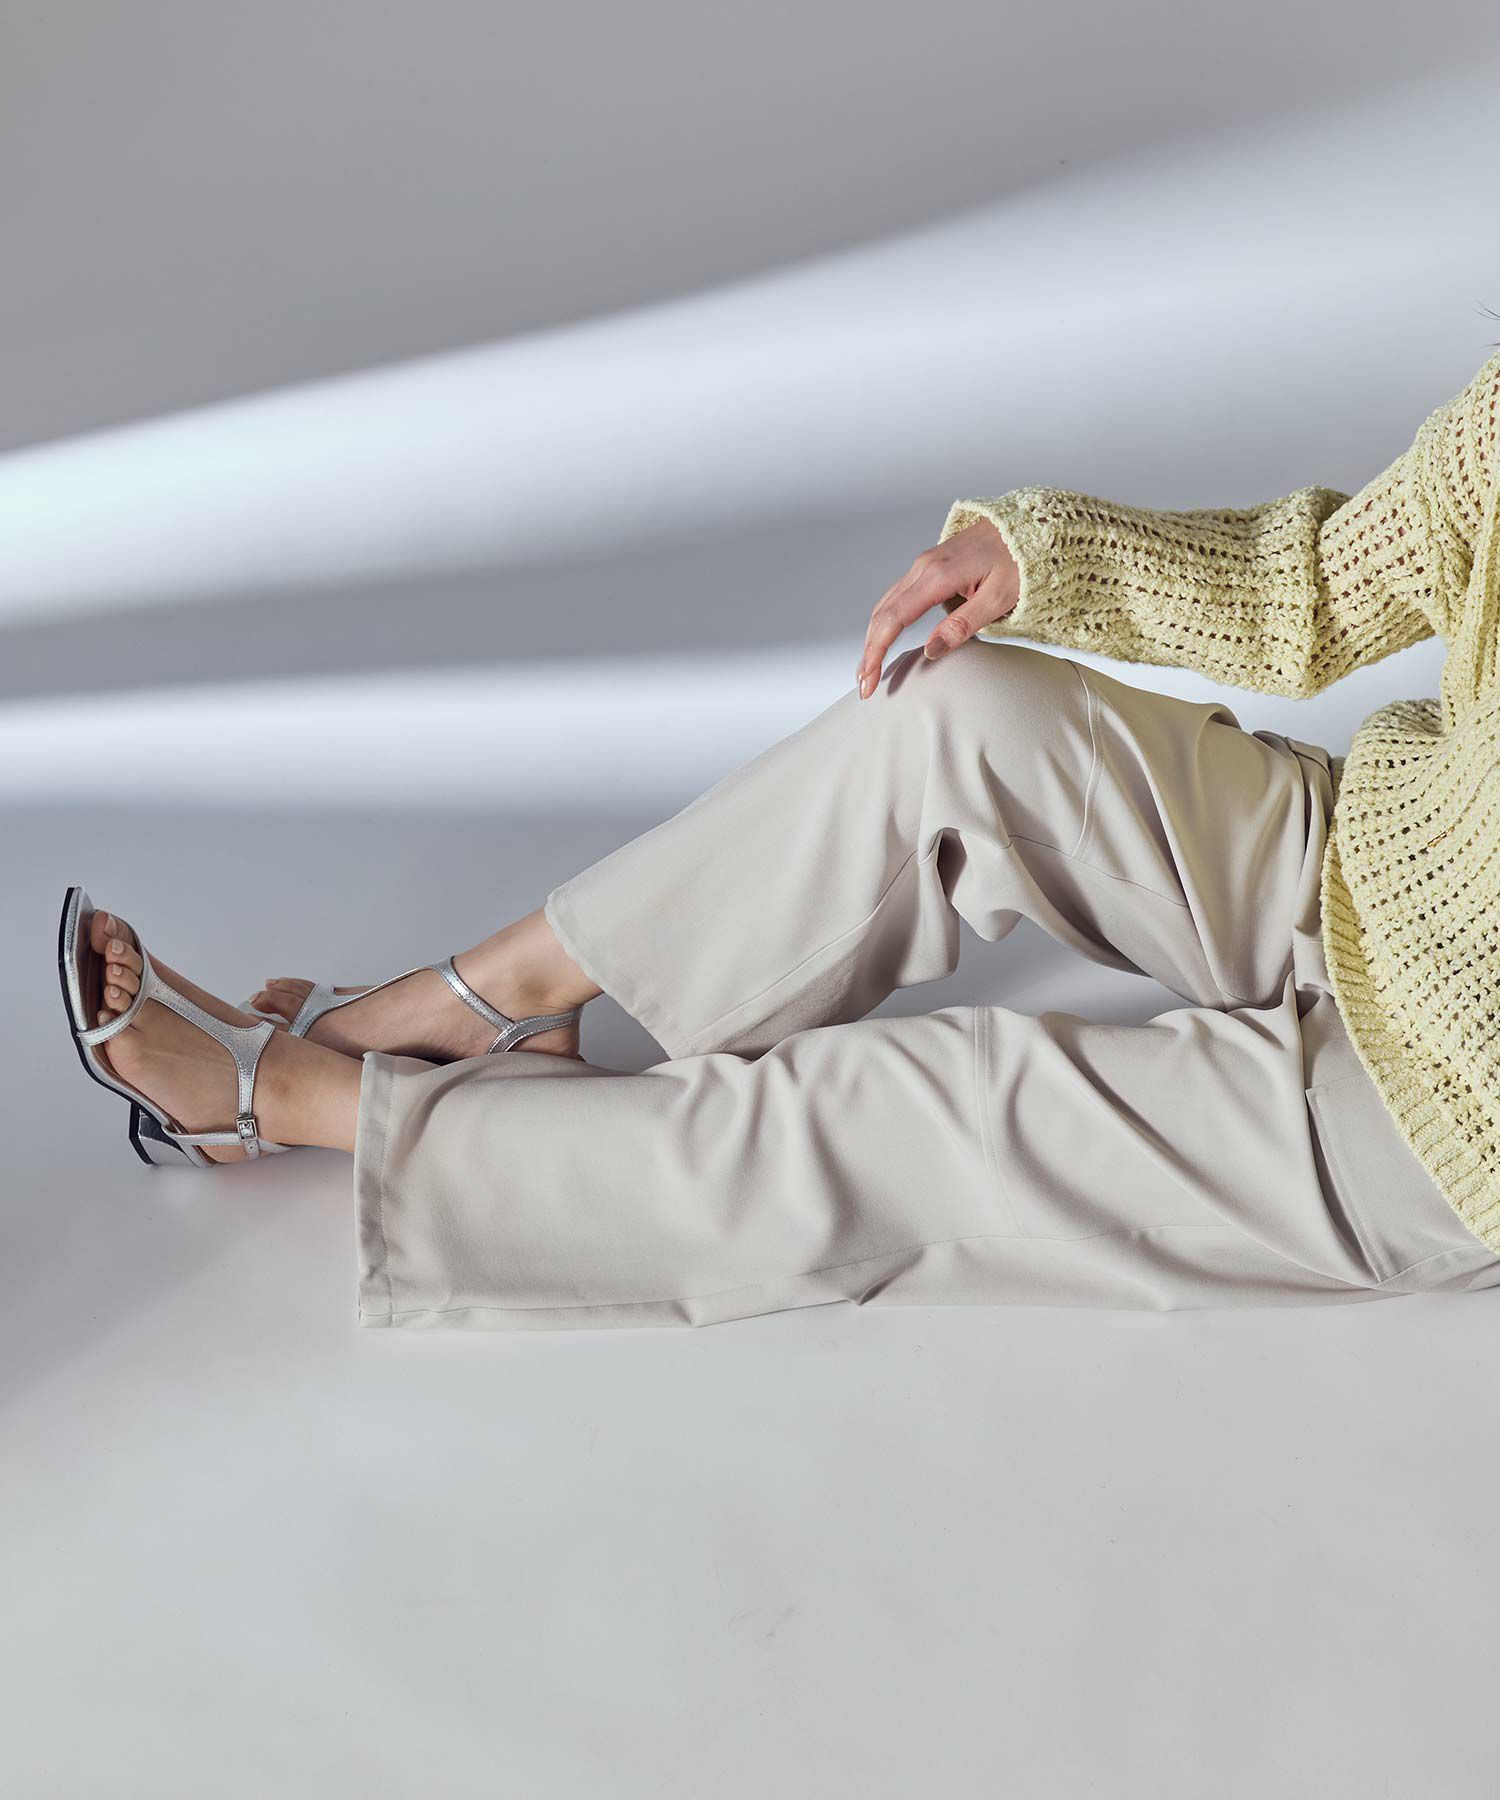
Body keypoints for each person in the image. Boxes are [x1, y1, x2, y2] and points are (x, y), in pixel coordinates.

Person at [58, 343, 1500, 1331]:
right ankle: (489, 999)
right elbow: (1336, 577)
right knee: (955, 715)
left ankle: (311, 1100)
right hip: (1386, 857)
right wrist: (1048, 555)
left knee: (933, 1116)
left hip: (1452, 1116)